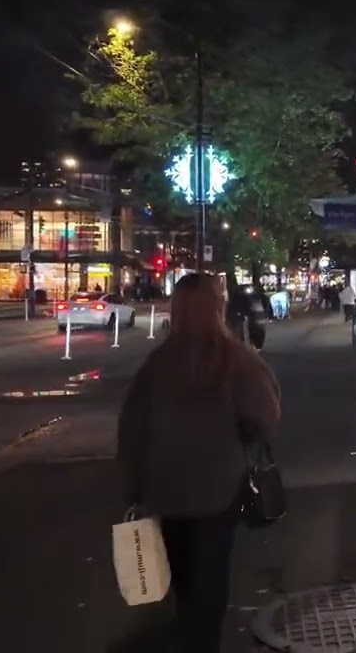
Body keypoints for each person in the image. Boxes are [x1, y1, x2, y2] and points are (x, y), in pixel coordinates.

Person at [117, 272, 281, 653]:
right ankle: (202, 641)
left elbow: (132, 432)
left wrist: (133, 486)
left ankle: (187, 635)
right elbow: (267, 413)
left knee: (183, 578)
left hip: (167, 490)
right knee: (212, 580)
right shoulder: (236, 360)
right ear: (217, 308)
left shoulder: (157, 365)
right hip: (219, 489)